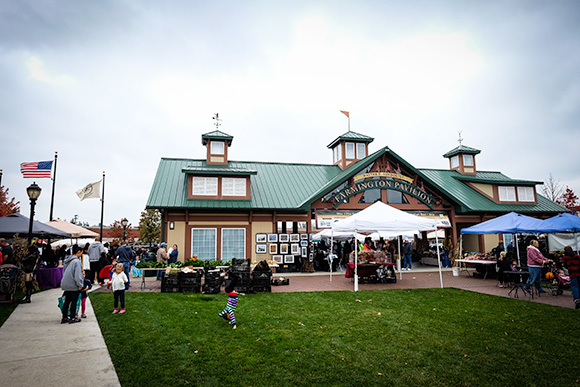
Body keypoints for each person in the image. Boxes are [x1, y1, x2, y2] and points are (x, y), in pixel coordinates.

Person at [61, 245, 84, 324]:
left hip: (66, 283)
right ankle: (73, 317)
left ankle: (64, 317)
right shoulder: (77, 262)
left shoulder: (67, 261)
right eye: (81, 253)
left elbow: (63, 272)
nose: (81, 254)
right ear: (78, 252)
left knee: (67, 301)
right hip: (73, 284)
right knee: (74, 301)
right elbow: (77, 275)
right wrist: (80, 284)